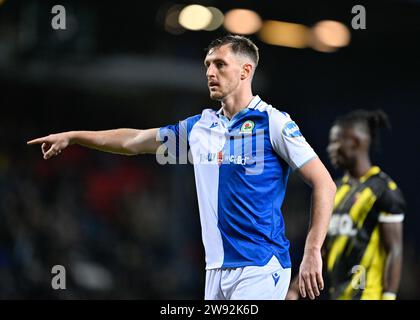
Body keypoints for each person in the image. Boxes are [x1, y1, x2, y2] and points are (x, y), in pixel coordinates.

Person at [27, 35, 336, 300]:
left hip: (261, 267)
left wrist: (312, 250)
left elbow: (324, 183)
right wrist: (75, 137)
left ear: (245, 71)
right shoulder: (200, 128)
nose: (210, 72)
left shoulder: (273, 123)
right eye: (207, 65)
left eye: (219, 64)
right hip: (215, 270)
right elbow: (133, 140)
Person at [287, 109, 406, 300]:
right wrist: (294, 289)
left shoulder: (384, 190)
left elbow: (395, 249)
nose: (330, 148)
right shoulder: (335, 190)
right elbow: (322, 250)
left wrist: (389, 296)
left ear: (356, 142)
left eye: (336, 141)